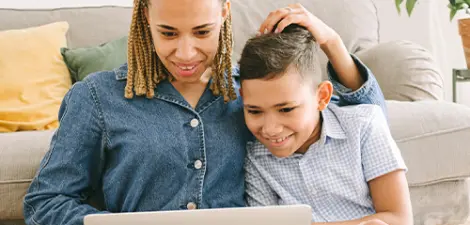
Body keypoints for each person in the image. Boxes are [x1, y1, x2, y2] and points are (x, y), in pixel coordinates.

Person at [22, 1, 386, 225]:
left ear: (224, 12)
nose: (185, 52)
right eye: (167, 33)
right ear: (145, 16)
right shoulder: (97, 97)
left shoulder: (254, 90)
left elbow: (366, 121)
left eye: (202, 31)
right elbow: (45, 203)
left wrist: (332, 43)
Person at [239, 24, 413, 225]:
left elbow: (398, 219)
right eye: (254, 111)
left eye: (286, 109)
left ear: (322, 97)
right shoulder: (256, 158)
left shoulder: (364, 126)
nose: (270, 129)